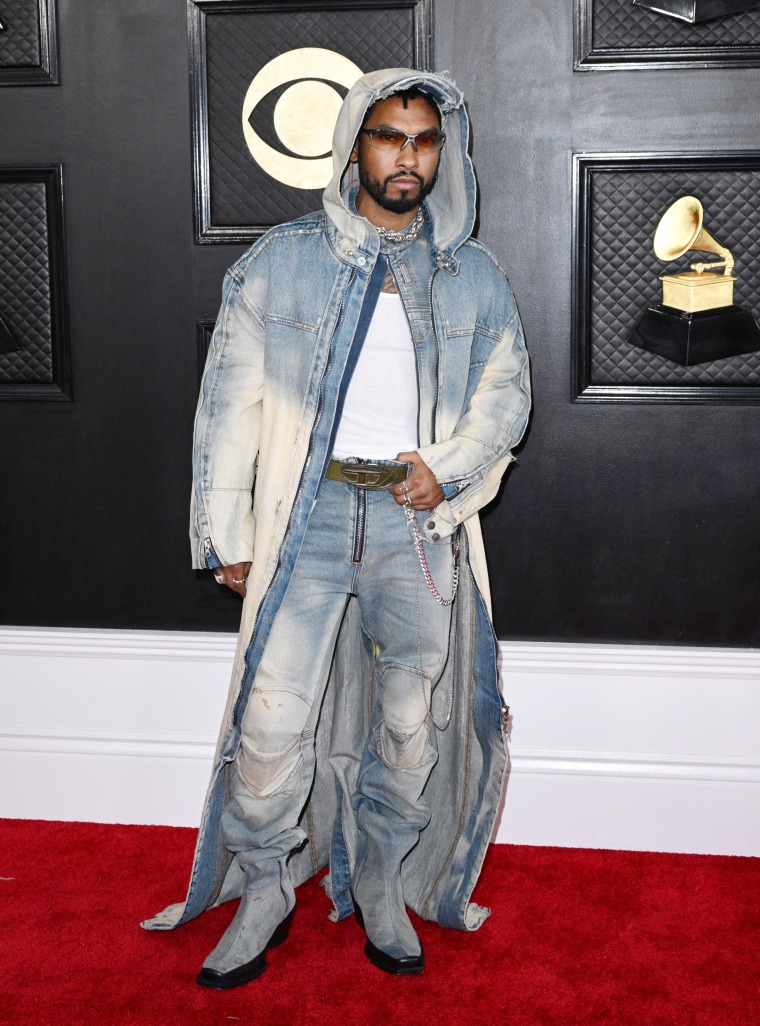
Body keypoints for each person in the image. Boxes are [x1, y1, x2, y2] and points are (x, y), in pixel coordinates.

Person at [142, 68, 531, 986]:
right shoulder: (281, 261)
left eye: (425, 140)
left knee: (412, 719)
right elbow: (228, 406)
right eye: (391, 136)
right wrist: (227, 532)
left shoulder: (471, 273)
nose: (408, 156)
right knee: (272, 723)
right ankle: (269, 884)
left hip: (414, 524)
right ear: (355, 142)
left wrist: (450, 468)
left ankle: (387, 881)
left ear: (444, 152)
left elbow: (505, 394)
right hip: (305, 518)